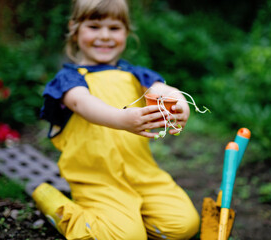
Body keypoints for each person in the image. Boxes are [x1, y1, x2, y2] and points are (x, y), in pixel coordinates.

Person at [32, 0, 200, 239]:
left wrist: (180, 102)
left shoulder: (135, 74)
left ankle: (132, 218)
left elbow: (162, 89)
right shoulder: (69, 79)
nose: (104, 36)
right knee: (126, 237)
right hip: (98, 180)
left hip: (143, 174)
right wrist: (122, 118)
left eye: (114, 28)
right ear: (74, 28)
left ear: (127, 32)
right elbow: (83, 104)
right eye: (94, 26)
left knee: (184, 226)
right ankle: (54, 204)